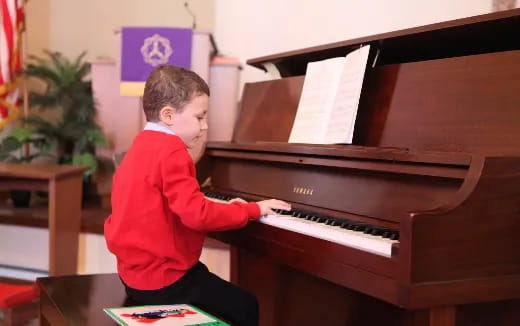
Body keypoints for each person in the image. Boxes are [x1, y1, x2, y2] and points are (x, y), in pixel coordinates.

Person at [104, 65, 291, 326]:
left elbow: (167, 204)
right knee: (246, 305)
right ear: (168, 115)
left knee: (206, 281)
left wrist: (220, 206)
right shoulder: (173, 151)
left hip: (134, 275)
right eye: (199, 117)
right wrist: (251, 210)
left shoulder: (140, 145)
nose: (204, 127)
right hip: (164, 281)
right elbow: (197, 215)